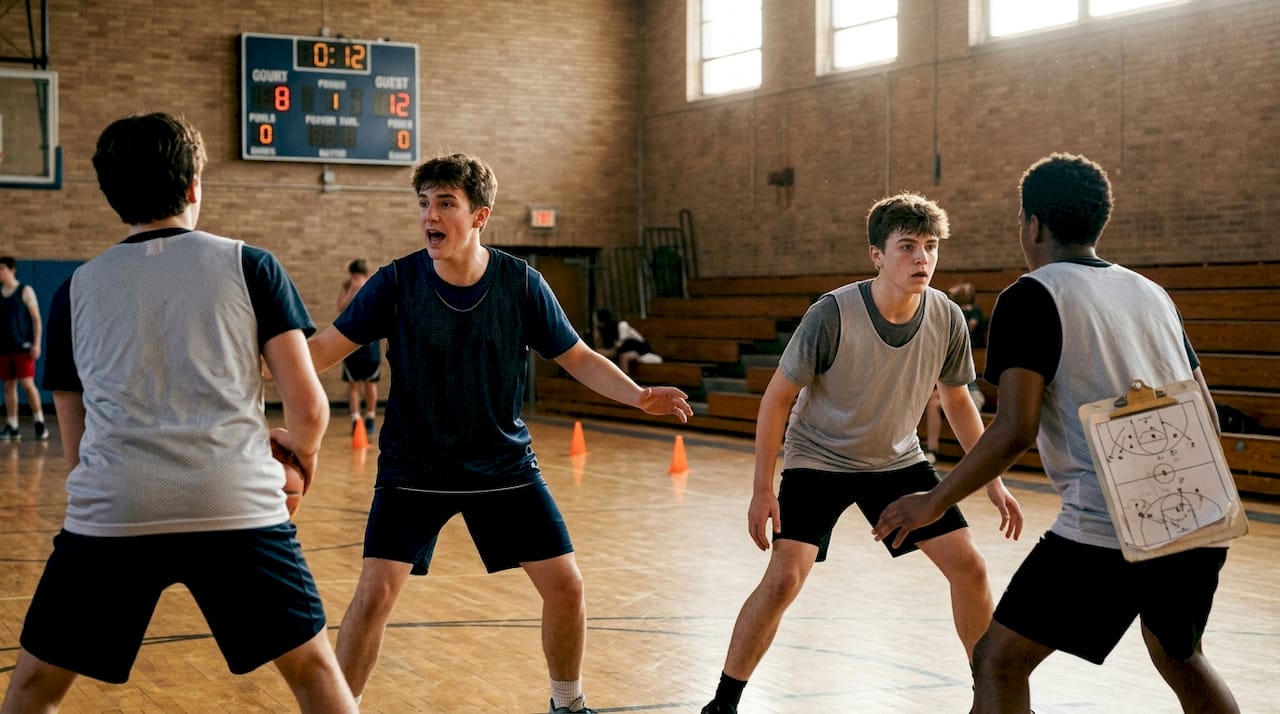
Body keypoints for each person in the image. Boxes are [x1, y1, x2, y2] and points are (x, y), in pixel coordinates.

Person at [306, 153, 693, 714]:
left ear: (479, 216)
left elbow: (578, 356)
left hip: (502, 466)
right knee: (372, 596)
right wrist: (248, 357)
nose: (429, 216)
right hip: (415, 468)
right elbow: (319, 351)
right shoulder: (395, 283)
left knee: (567, 586)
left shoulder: (521, 284)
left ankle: (568, 703)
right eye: (423, 203)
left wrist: (638, 395)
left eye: (445, 203)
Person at [0, 112, 357, 713]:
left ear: (112, 197)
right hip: (235, 503)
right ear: (194, 185)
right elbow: (310, 408)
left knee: (33, 690)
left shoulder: (76, 290)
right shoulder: (252, 265)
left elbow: (74, 445)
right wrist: (300, 458)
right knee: (316, 674)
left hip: (115, 508)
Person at [873, 153, 1239, 713]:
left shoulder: (1031, 295)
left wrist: (934, 500)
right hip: (1200, 513)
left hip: (1109, 525)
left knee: (996, 660)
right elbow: (1206, 414)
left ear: (1033, 225)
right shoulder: (1151, 293)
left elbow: (1014, 429)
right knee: (1180, 654)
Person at [701, 192, 1024, 714]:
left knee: (971, 567)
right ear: (877, 255)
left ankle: (991, 697)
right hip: (818, 458)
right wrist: (763, 488)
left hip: (897, 462)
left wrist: (992, 478)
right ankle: (722, 703)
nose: (922, 259)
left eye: (930, 246)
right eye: (907, 247)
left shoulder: (947, 316)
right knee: (784, 578)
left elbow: (958, 400)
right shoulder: (831, 314)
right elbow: (776, 399)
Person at [923, 282, 987, 463]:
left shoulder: (968, 319)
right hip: (948, 393)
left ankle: (976, 459)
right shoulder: (942, 336)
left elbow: (961, 395)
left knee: (943, 401)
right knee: (932, 401)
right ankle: (932, 449)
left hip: (971, 392)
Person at [0, 256, 47, 441]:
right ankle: (12, 425)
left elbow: (36, 319)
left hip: (23, 347)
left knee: (27, 384)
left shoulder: (25, 291)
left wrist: (36, 344)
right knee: (8, 386)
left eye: (2, 268)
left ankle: (39, 422)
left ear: (12, 270)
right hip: (4, 347)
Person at [337, 259, 381, 436]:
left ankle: (370, 416)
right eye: (354, 276)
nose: (356, 279)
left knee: (370, 382)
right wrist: (352, 289)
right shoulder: (348, 287)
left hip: (370, 343)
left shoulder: (374, 286)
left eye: (359, 276)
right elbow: (341, 307)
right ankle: (355, 418)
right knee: (353, 382)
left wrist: (364, 286)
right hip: (350, 342)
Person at [592, 307, 661, 375]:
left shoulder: (622, 325)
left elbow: (619, 346)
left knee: (624, 357)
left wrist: (608, 352)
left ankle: (624, 382)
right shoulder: (604, 331)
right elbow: (604, 346)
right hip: (622, 350)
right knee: (598, 352)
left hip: (641, 351)